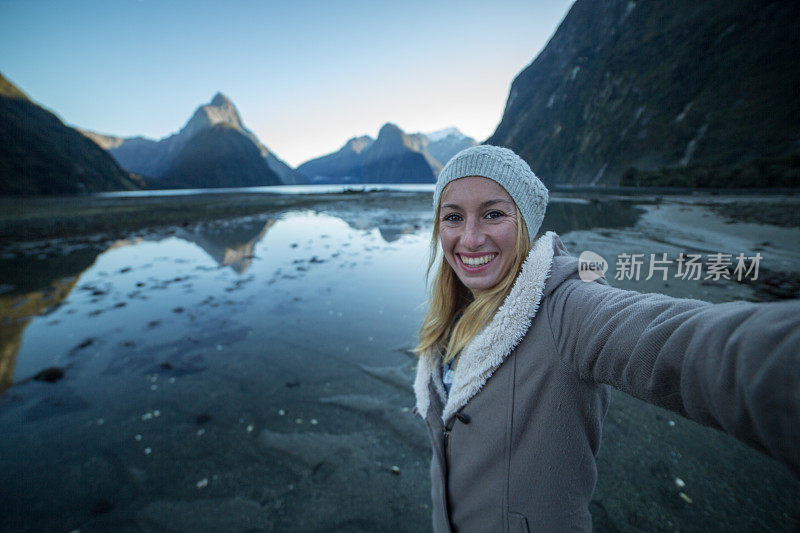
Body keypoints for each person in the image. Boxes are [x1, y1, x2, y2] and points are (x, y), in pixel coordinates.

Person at [413, 145, 800, 532]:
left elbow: (679, 341)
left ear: (526, 224)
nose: (470, 238)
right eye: (453, 217)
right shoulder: (452, 315)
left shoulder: (566, 307)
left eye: (493, 214)